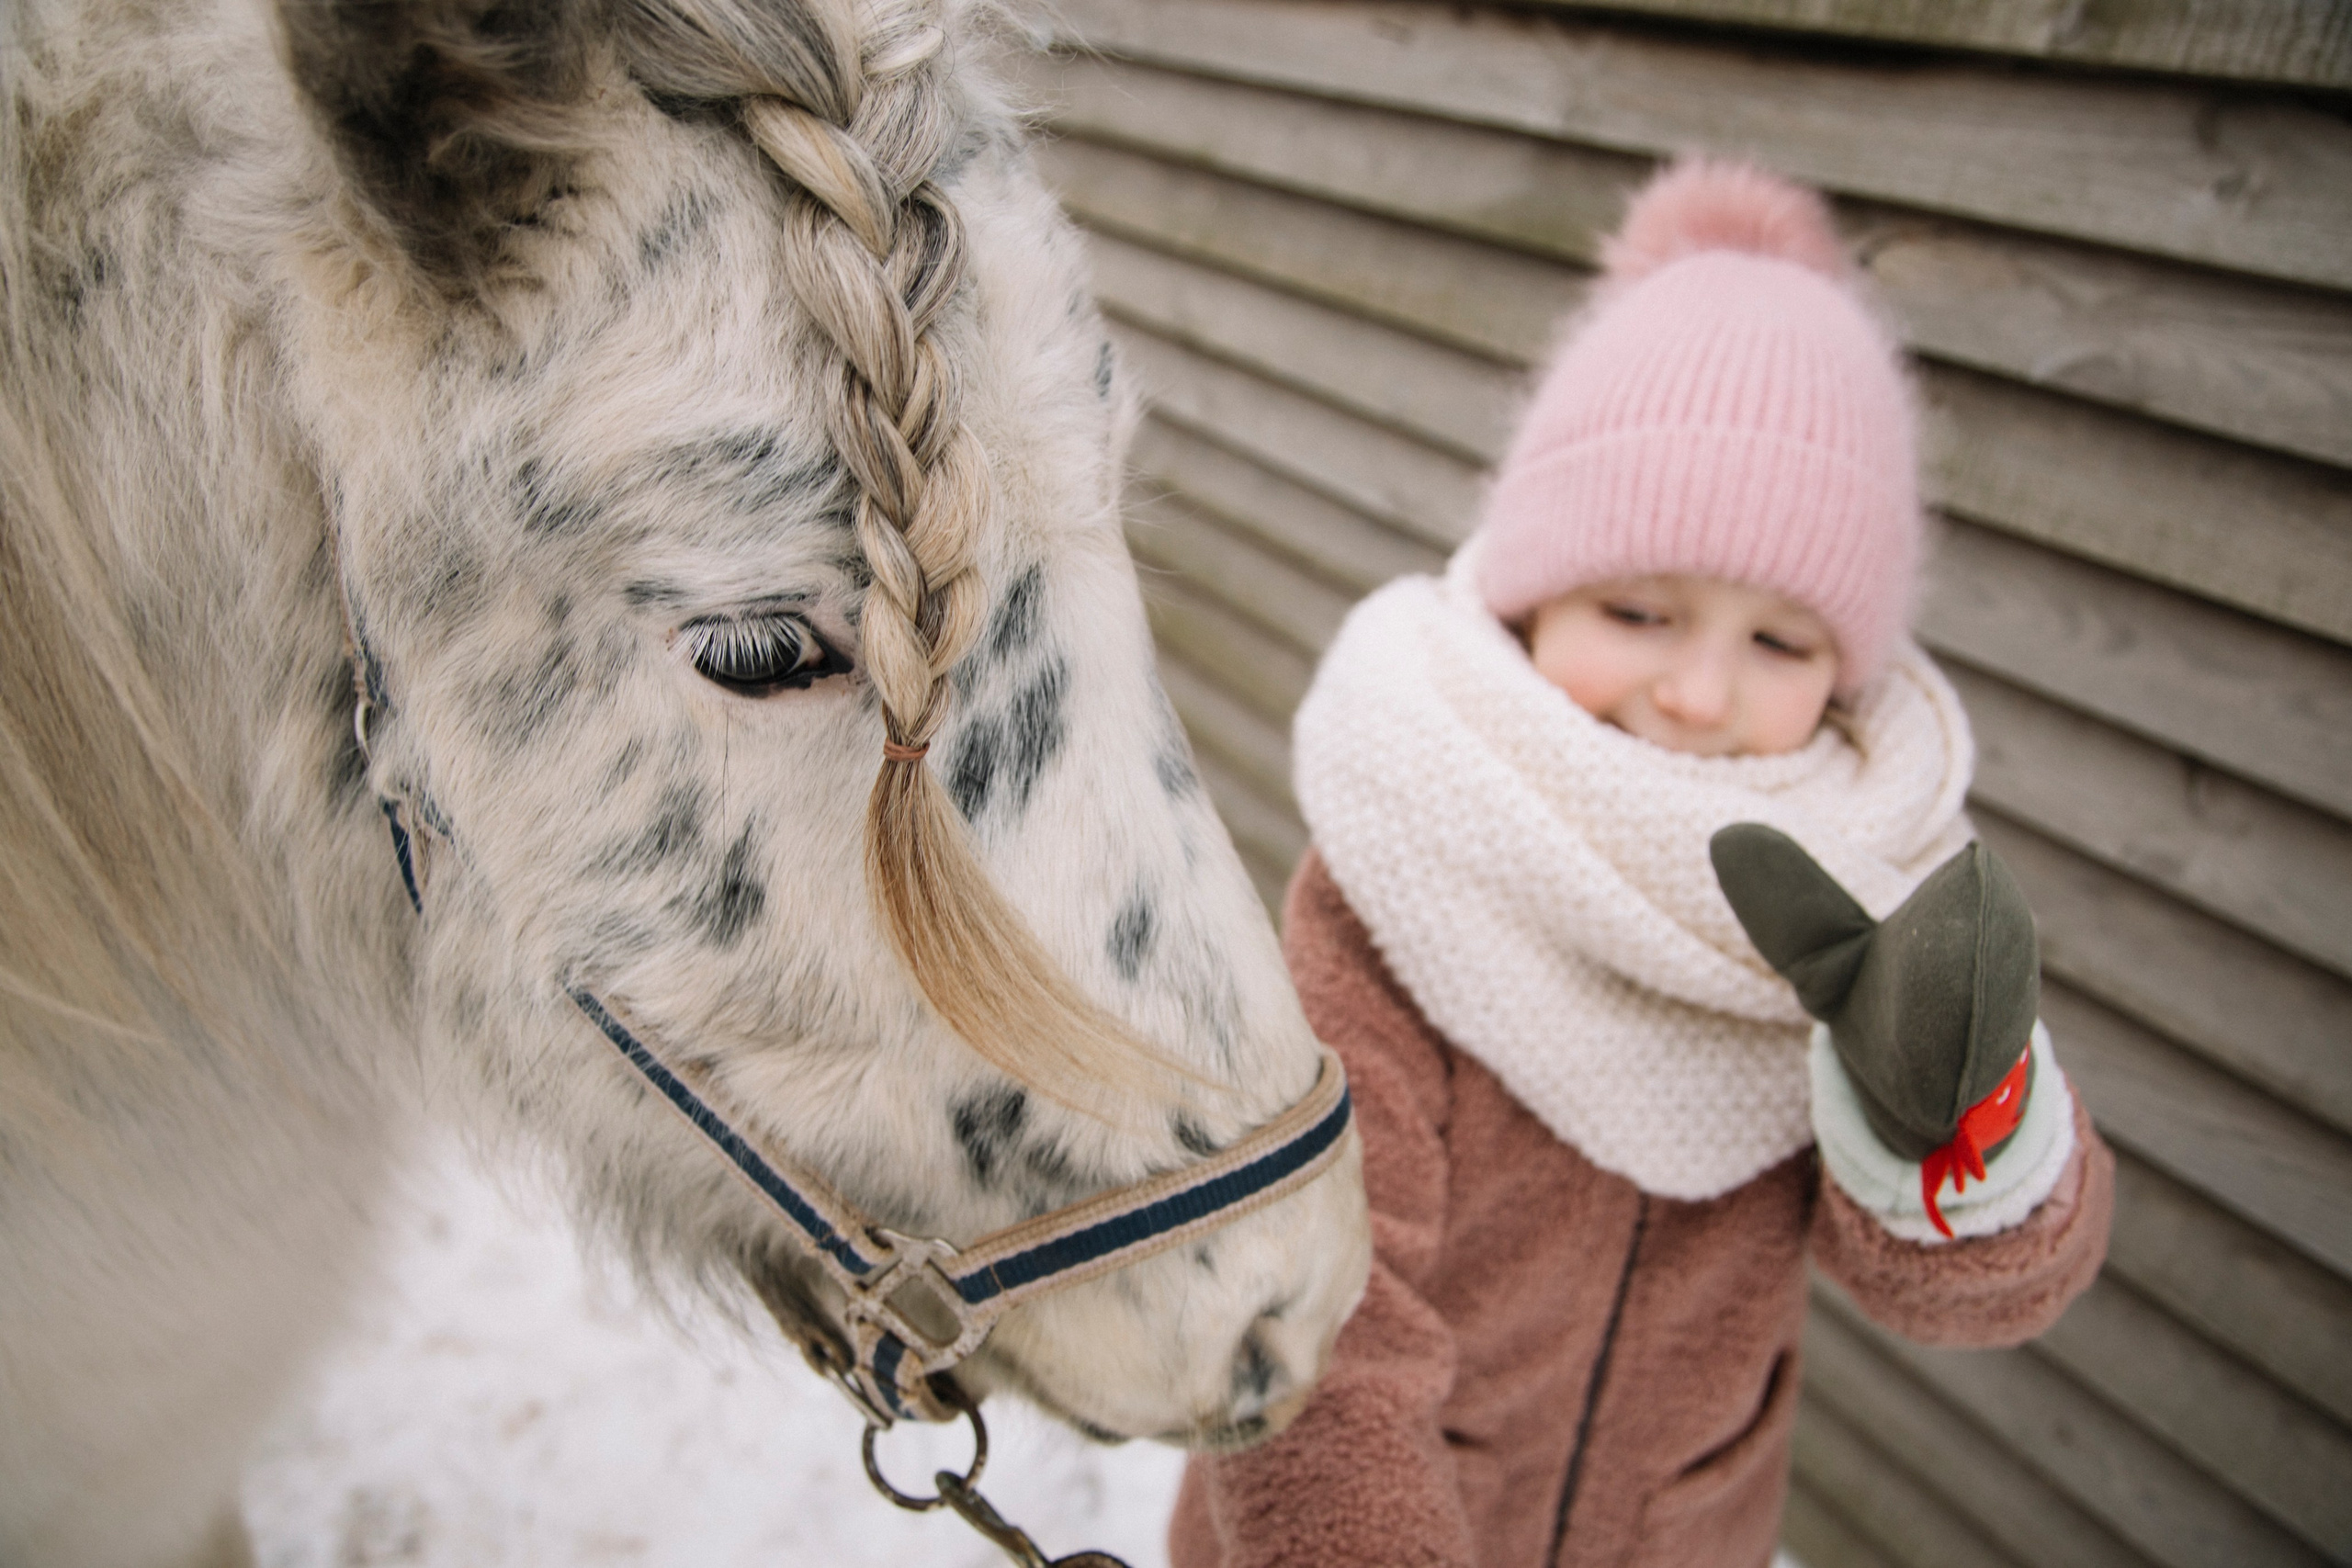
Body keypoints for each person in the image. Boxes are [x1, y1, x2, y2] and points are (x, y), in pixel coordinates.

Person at [1168, 158, 2114, 1568]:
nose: (1694, 693)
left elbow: (1960, 1293)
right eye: (1637, 609)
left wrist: (1960, 1118)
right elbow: (1317, 1317)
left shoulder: (1875, 886)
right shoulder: (1410, 862)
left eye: (1779, 643)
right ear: (1536, 586)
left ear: (1846, 675)